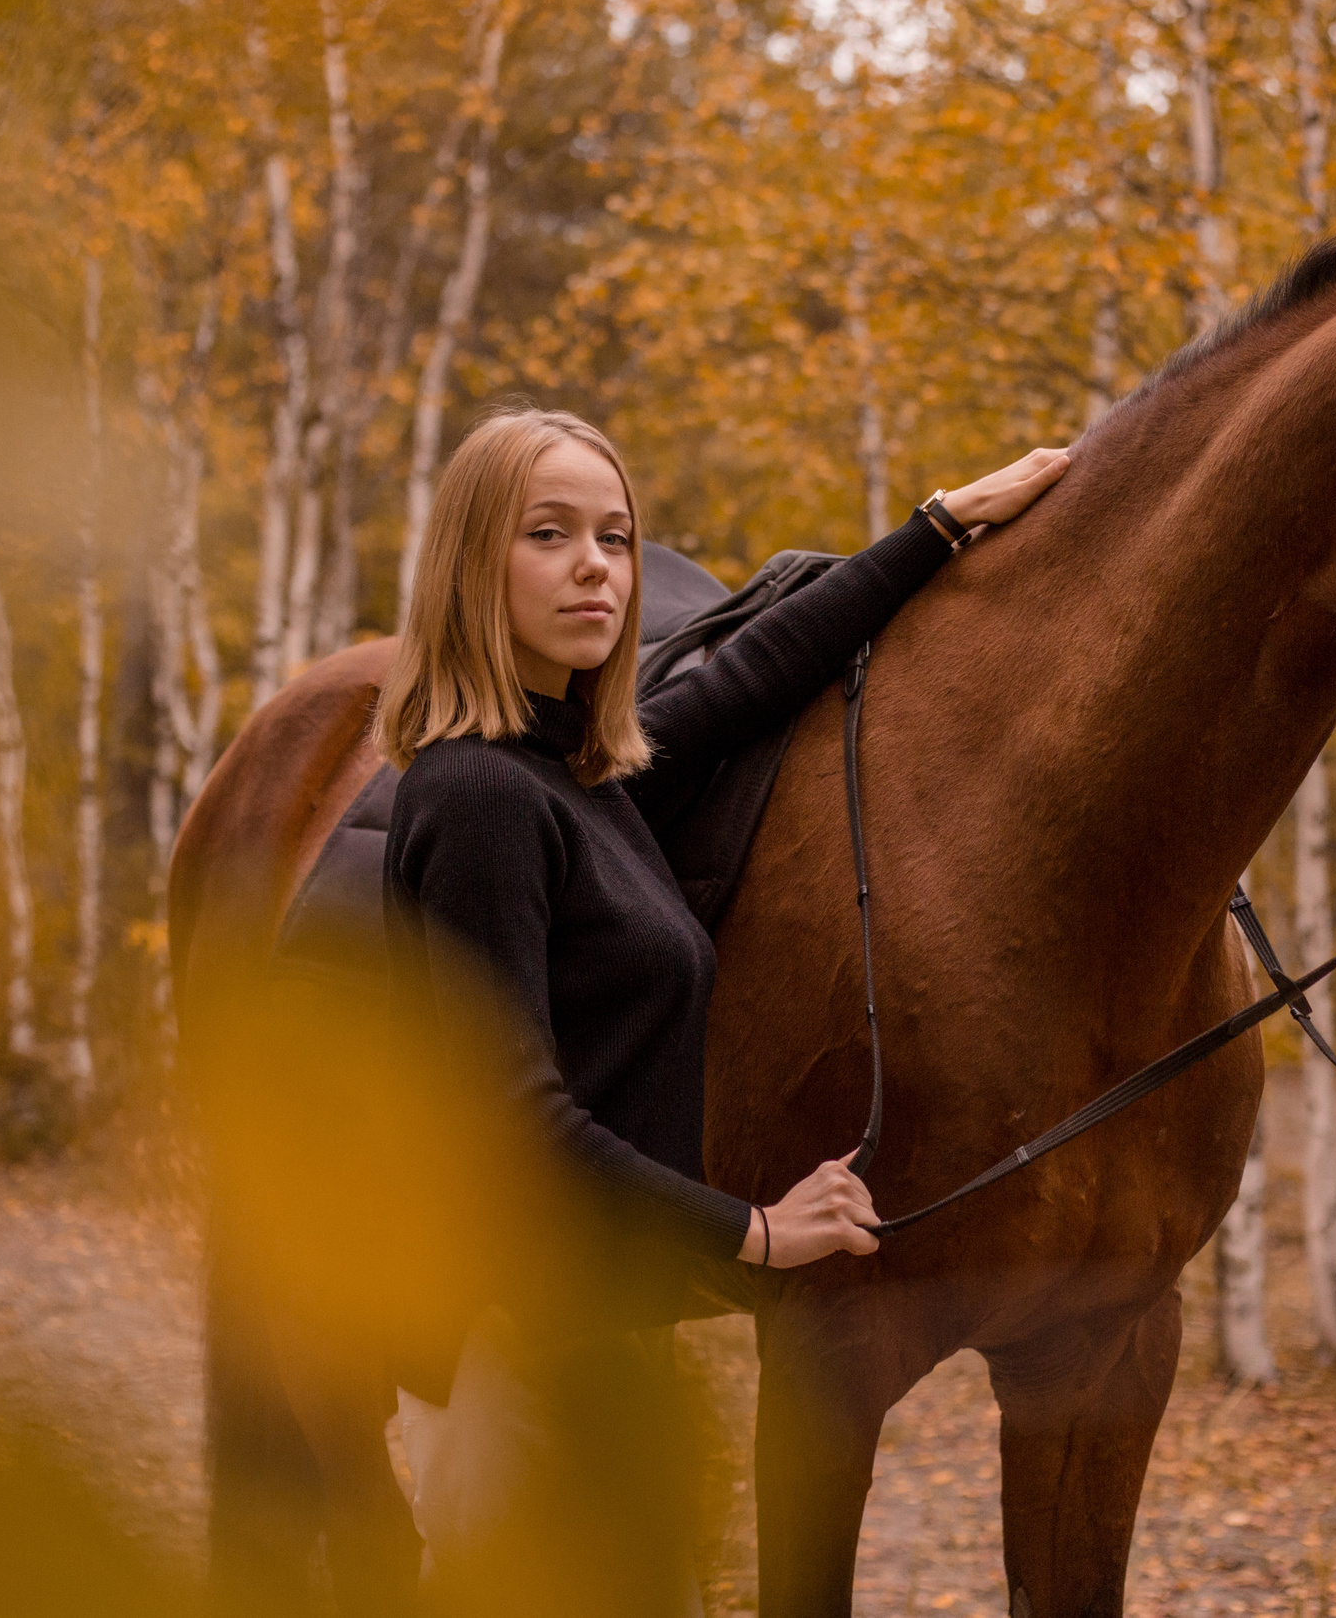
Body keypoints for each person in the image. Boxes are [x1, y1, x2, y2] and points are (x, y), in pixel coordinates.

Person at [374, 405, 1068, 1601]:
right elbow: (519, 1130)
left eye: (616, 536)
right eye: (549, 534)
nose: (595, 564)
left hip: (602, 1350)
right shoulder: (481, 799)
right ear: (469, 564)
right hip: (515, 1360)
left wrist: (939, 527)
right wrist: (755, 1233)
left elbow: (750, 675)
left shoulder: (576, 776)